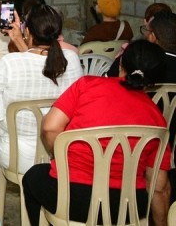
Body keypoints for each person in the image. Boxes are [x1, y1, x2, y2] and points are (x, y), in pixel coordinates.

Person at [23, 40, 172, 226]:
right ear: (155, 80)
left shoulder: (88, 85)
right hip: (127, 206)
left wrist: (59, 154)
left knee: (34, 176)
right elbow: (159, 187)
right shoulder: (157, 119)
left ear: (121, 63)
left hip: (72, 198)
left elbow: (50, 127)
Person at [0, 4, 82, 226]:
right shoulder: (71, 59)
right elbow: (41, 66)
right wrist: (21, 42)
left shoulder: (9, 63)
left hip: (17, 155)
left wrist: (4, 130)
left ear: (28, 31)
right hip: (59, 154)